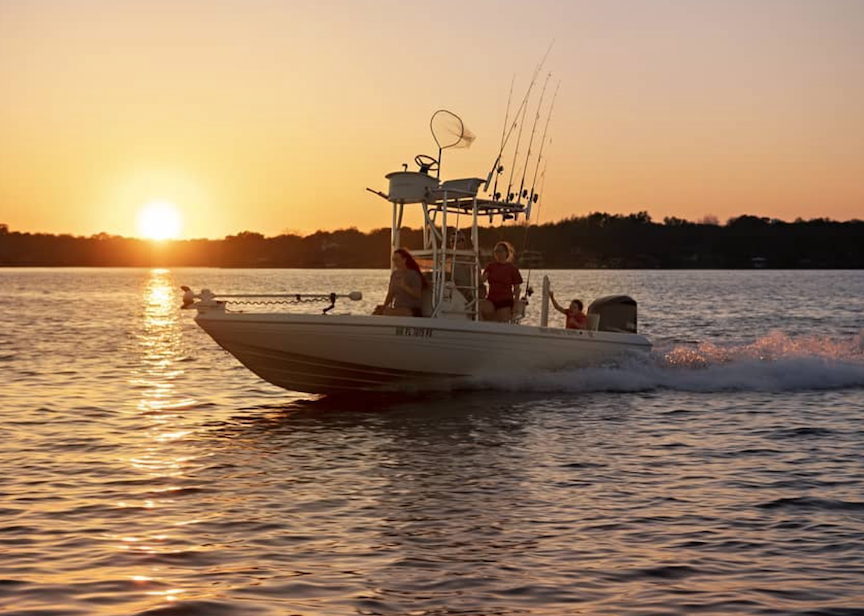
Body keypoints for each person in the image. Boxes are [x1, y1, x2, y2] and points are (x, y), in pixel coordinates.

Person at [374, 248, 425, 317]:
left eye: (397, 260)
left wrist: (405, 286)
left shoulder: (413, 274)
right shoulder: (395, 274)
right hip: (398, 308)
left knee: (387, 312)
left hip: (412, 310)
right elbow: (390, 293)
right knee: (378, 311)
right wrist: (384, 306)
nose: (395, 262)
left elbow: (418, 294)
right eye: (393, 260)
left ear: (404, 260)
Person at [480, 241, 522, 323]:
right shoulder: (491, 266)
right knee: (478, 307)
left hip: (505, 301)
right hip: (491, 300)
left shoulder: (512, 269)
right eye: (496, 251)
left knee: (502, 321)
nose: (498, 253)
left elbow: (517, 289)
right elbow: (482, 279)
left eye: (500, 251)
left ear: (506, 253)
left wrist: (515, 305)